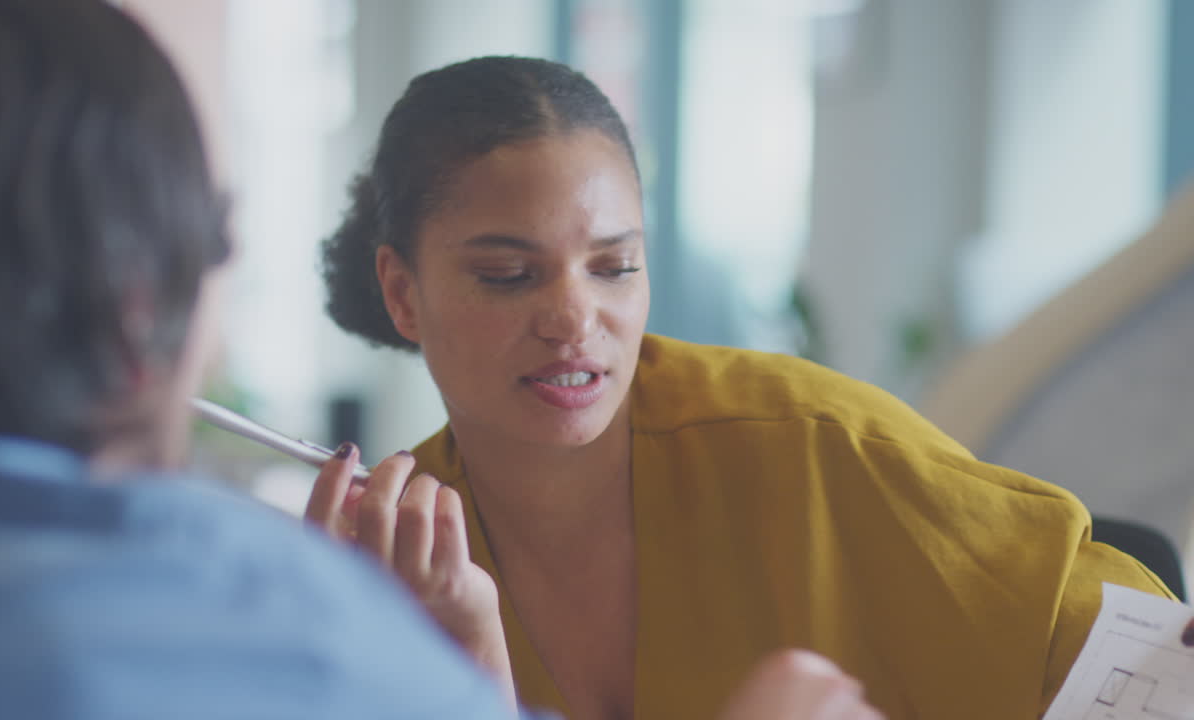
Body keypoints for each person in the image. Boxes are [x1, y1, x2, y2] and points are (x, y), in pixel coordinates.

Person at [315, 55, 1175, 719]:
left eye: (616, 267)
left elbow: (1157, 673)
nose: (576, 320)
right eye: (508, 275)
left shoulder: (821, 450)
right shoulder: (382, 571)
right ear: (402, 291)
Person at [0, 1, 527, 717]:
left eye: (616, 264)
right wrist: (455, 661)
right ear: (136, 316)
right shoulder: (313, 639)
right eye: (507, 274)